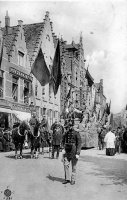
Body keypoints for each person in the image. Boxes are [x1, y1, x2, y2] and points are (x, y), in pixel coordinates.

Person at [62, 119, 82, 185]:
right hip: (67, 151)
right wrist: (63, 148)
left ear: (73, 126)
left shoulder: (76, 133)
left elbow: (79, 143)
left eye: (70, 126)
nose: (69, 127)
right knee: (65, 165)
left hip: (74, 151)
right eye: (68, 126)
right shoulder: (66, 133)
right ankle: (67, 179)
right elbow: (63, 140)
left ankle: (73, 180)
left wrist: (78, 153)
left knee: (74, 167)